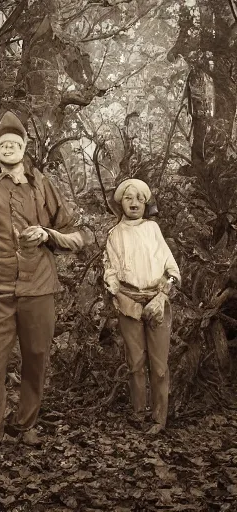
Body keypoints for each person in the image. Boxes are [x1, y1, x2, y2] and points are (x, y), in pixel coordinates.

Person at [0, 111, 90, 451]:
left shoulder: (42, 184)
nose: (9, 148)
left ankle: (26, 424)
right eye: (2, 143)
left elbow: (78, 236)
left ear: (24, 147)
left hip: (39, 287)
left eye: (15, 143)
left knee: (37, 356)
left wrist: (47, 234)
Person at [103, 178, 180, 434]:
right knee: (135, 361)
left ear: (146, 204)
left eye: (139, 199)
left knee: (159, 365)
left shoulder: (152, 229)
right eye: (128, 198)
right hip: (128, 303)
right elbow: (110, 270)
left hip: (158, 302)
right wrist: (116, 290)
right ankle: (139, 413)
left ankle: (159, 419)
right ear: (121, 203)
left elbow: (172, 270)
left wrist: (162, 294)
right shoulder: (114, 234)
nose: (134, 203)